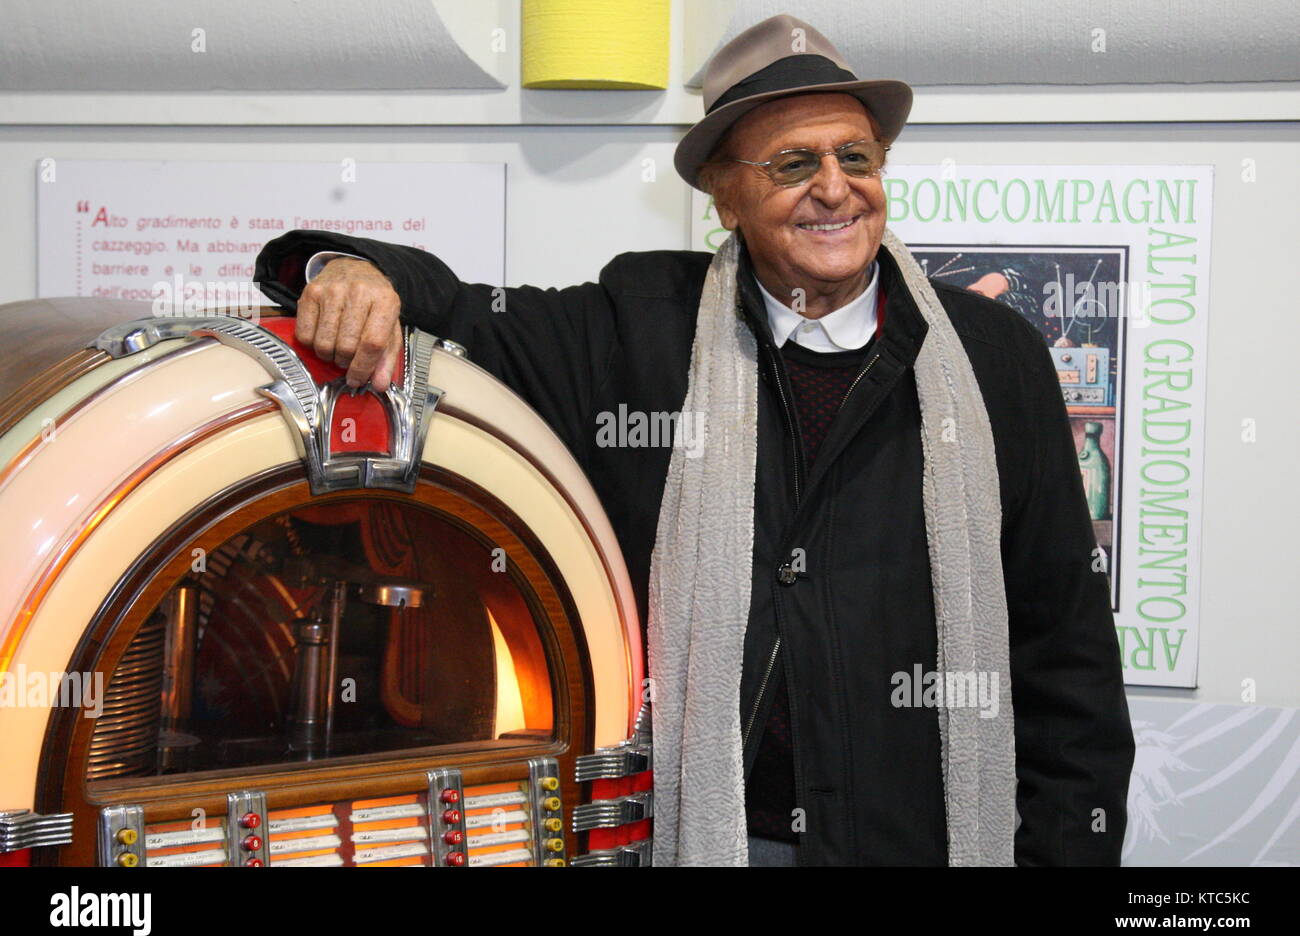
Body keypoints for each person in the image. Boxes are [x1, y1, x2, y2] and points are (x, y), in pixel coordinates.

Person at [253, 14, 1134, 866]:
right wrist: (347, 273)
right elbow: (455, 312)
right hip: (707, 840)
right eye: (794, 163)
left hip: (925, 842)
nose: (834, 187)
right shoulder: (637, 330)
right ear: (722, 191)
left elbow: (1068, 660)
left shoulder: (992, 359)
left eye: (855, 157)